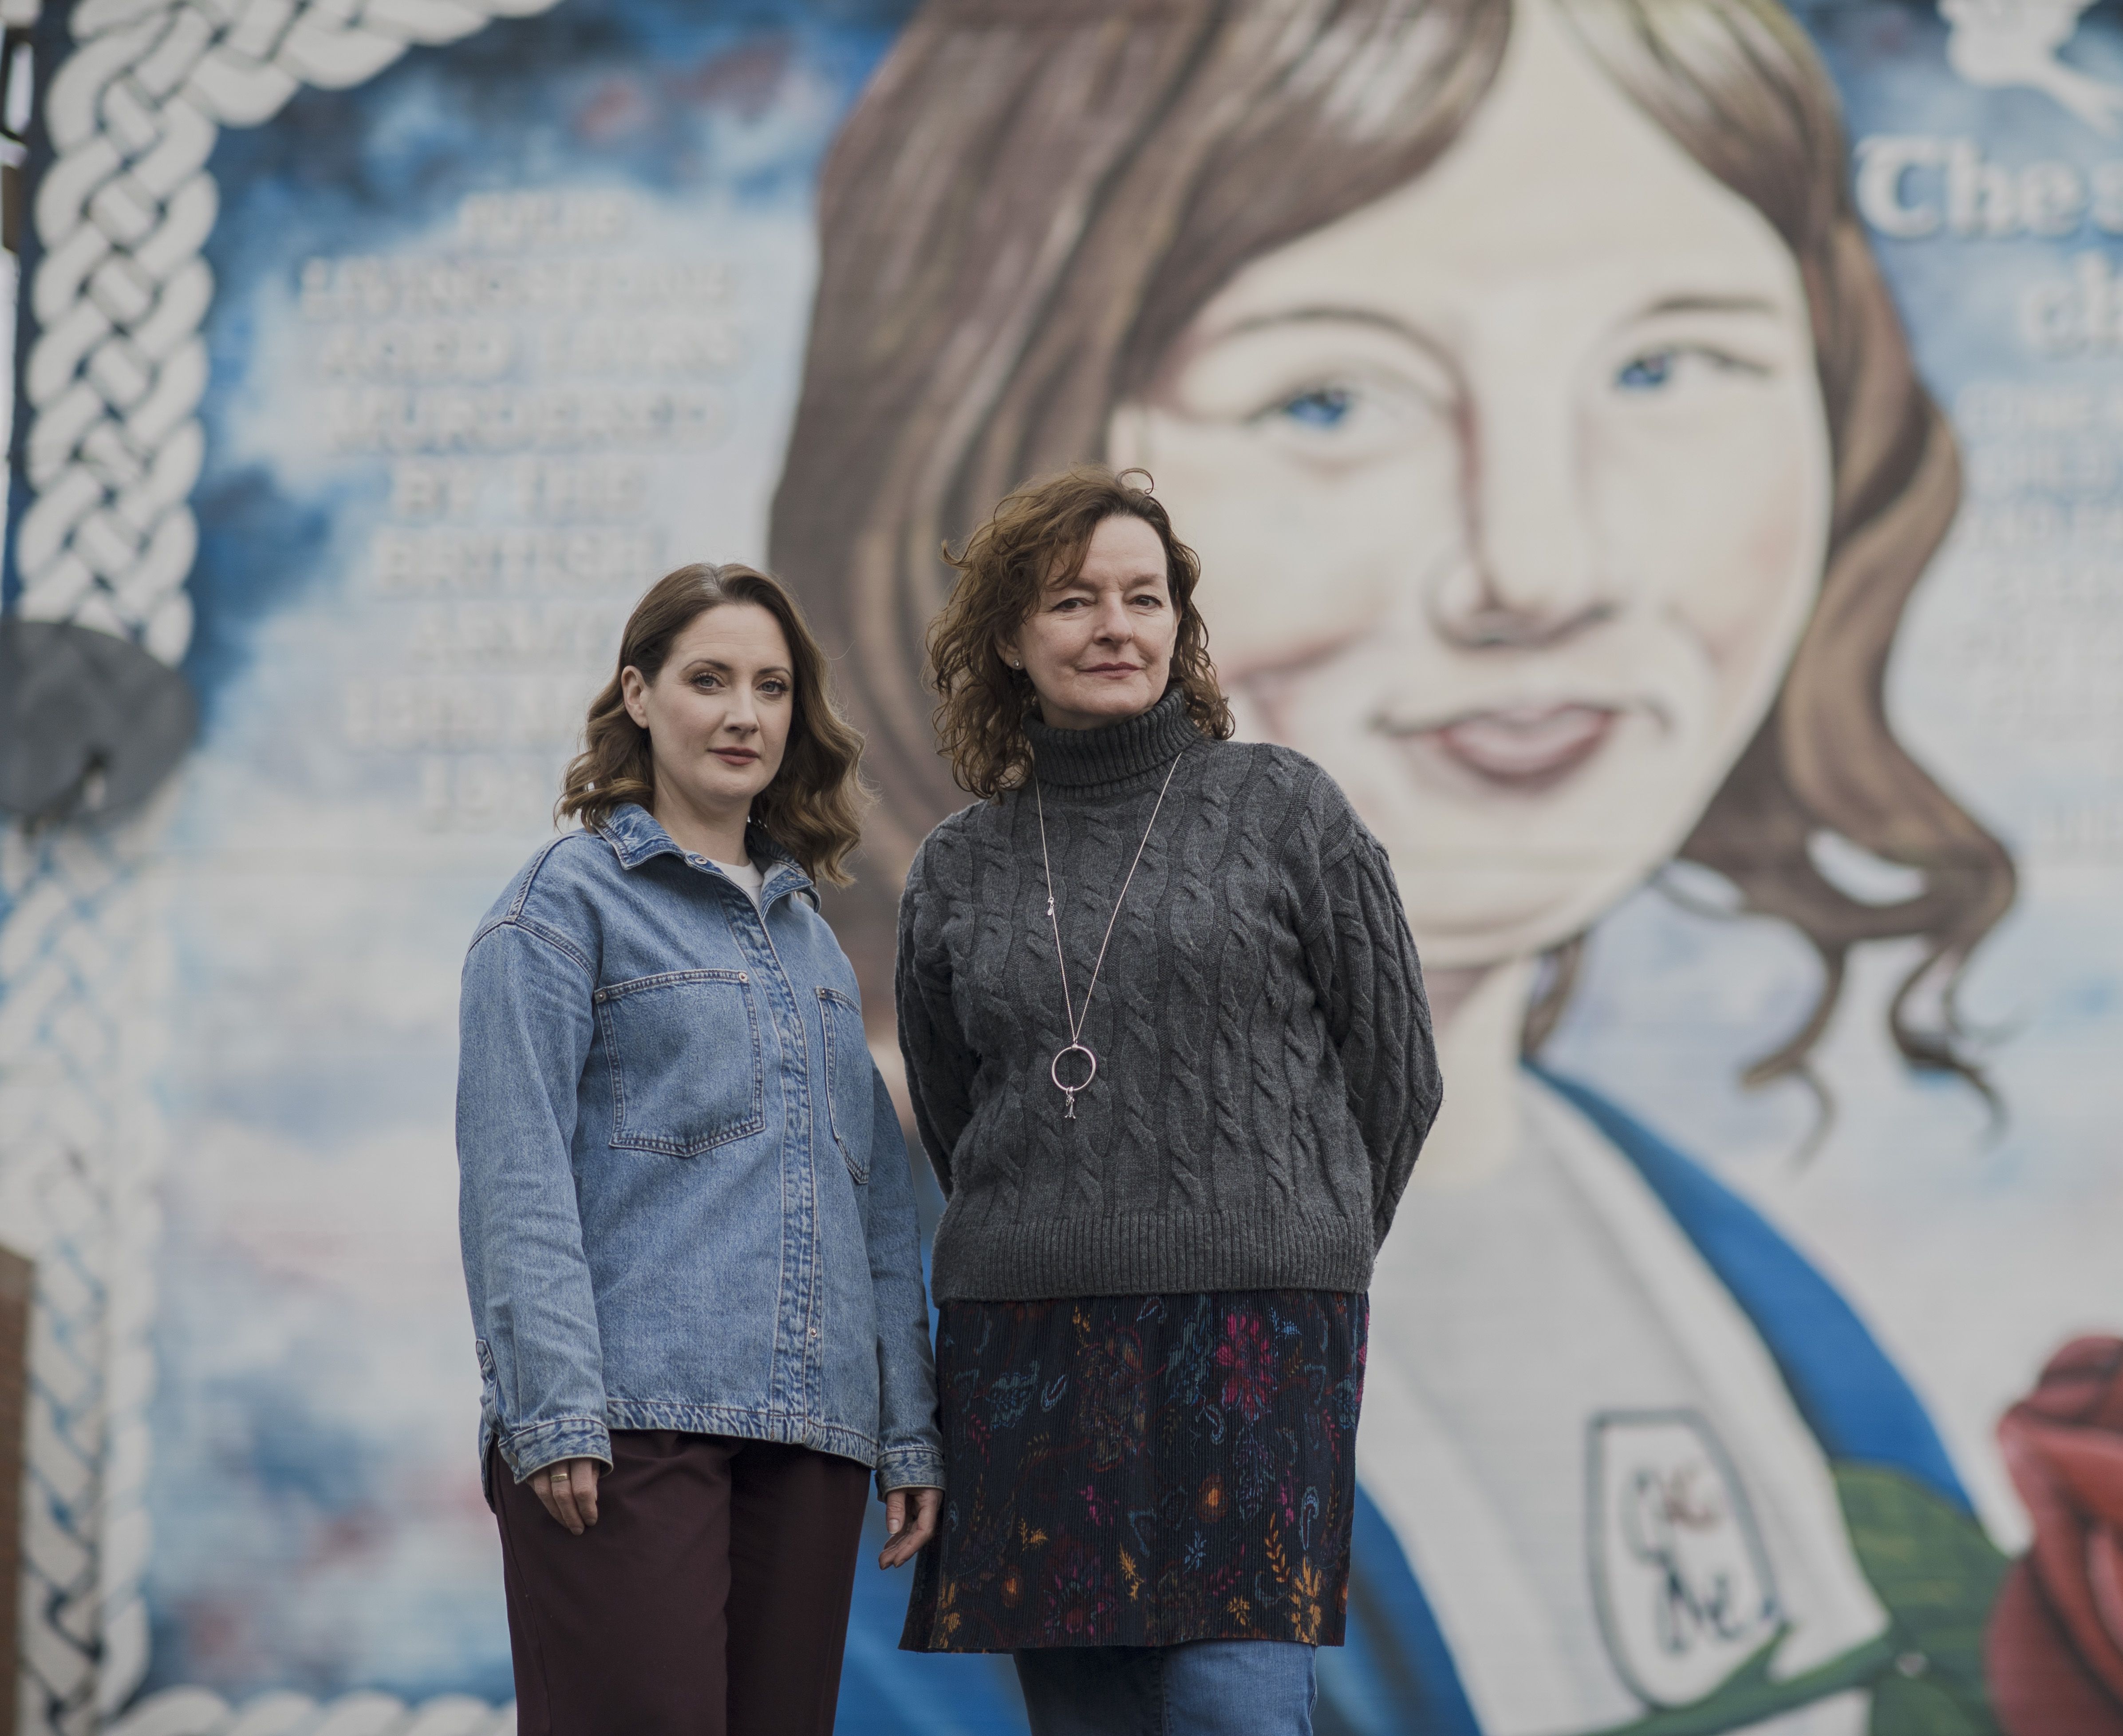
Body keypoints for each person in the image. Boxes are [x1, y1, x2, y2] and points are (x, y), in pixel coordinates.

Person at [772, 2, 2016, 1731]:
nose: (1539, 564)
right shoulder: (843, 1353)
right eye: (1331, 396)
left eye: (1666, 368)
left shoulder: (1712, 1271)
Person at [888, 464, 1442, 1736]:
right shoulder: (957, 867)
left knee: (1234, 1710)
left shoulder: (1285, 809)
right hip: (1026, 1350)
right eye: (1075, 601)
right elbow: (956, 1114)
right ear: (1011, 643)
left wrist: (1299, 1243)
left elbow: (1397, 1073)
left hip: (1255, 1342)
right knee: (1090, 1722)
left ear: (1179, 630)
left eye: (1144, 599)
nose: (1116, 627)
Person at [454, 561, 945, 1736]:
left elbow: (875, 1212)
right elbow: (515, 1179)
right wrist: (553, 1412)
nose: (744, 714)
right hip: (628, 1431)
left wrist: (907, 1428)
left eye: (771, 687)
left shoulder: (815, 947)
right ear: (638, 694)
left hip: (812, 1442)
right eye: (709, 679)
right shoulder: (559, 910)